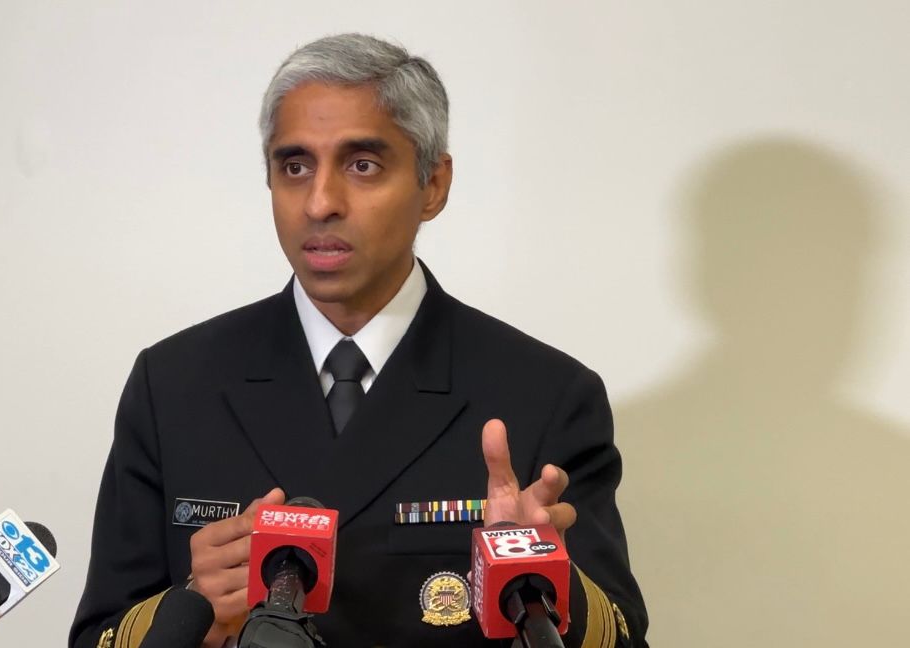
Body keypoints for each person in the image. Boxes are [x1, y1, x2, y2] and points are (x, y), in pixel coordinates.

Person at [70, 33, 647, 648]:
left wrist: (545, 583)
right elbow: (98, 634)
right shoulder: (174, 385)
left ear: (433, 185)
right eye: (294, 166)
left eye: (362, 165)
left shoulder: (546, 395)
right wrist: (189, 610)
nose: (320, 202)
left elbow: (625, 638)